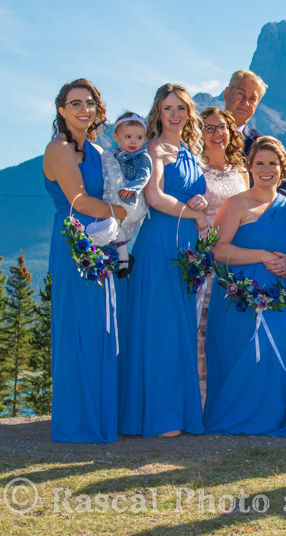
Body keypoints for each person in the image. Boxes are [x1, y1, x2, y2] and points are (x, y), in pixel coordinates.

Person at [204, 137, 286, 436]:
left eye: (273, 164)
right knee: (274, 323)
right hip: (239, 294)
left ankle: (278, 411)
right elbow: (217, 251)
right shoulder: (236, 204)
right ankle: (242, 412)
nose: (266, 169)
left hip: (281, 291)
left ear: (284, 169)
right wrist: (262, 255)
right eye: (260, 164)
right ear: (250, 167)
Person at [118, 84, 208, 438]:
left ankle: (177, 411)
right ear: (158, 111)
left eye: (180, 108)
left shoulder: (188, 150)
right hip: (161, 243)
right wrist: (195, 215)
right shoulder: (152, 148)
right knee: (160, 327)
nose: (174, 114)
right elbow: (154, 196)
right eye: (168, 108)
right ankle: (157, 415)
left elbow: (185, 191)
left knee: (180, 327)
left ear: (188, 113)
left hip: (186, 244)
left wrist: (199, 201)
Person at [43, 79, 126, 443]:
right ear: (62, 110)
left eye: (89, 102)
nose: (83, 109)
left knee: (100, 327)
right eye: (74, 103)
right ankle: (77, 422)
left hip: (103, 241)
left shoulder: (98, 150)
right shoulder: (59, 148)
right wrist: (125, 212)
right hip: (74, 243)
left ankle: (101, 415)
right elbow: (77, 200)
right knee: (77, 327)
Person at [196, 107, 249, 400]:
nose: (218, 134)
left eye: (223, 127)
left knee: (229, 326)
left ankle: (228, 396)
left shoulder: (241, 171)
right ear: (200, 133)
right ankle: (201, 398)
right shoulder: (194, 167)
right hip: (204, 254)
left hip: (235, 256)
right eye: (210, 128)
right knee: (202, 327)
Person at [222, 69, 286, 199]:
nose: (245, 102)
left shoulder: (260, 143)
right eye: (240, 94)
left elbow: (284, 190)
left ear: (257, 105)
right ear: (226, 94)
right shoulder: (198, 133)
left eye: (252, 99)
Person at [101, 111, 152, 277]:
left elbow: (144, 175)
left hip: (130, 200)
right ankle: (121, 259)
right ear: (116, 137)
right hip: (116, 198)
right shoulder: (115, 156)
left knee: (115, 228)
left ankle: (122, 260)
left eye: (139, 138)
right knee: (113, 229)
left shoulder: (142, 157)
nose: (133, 142)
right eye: (128, 136)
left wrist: (133, 188)